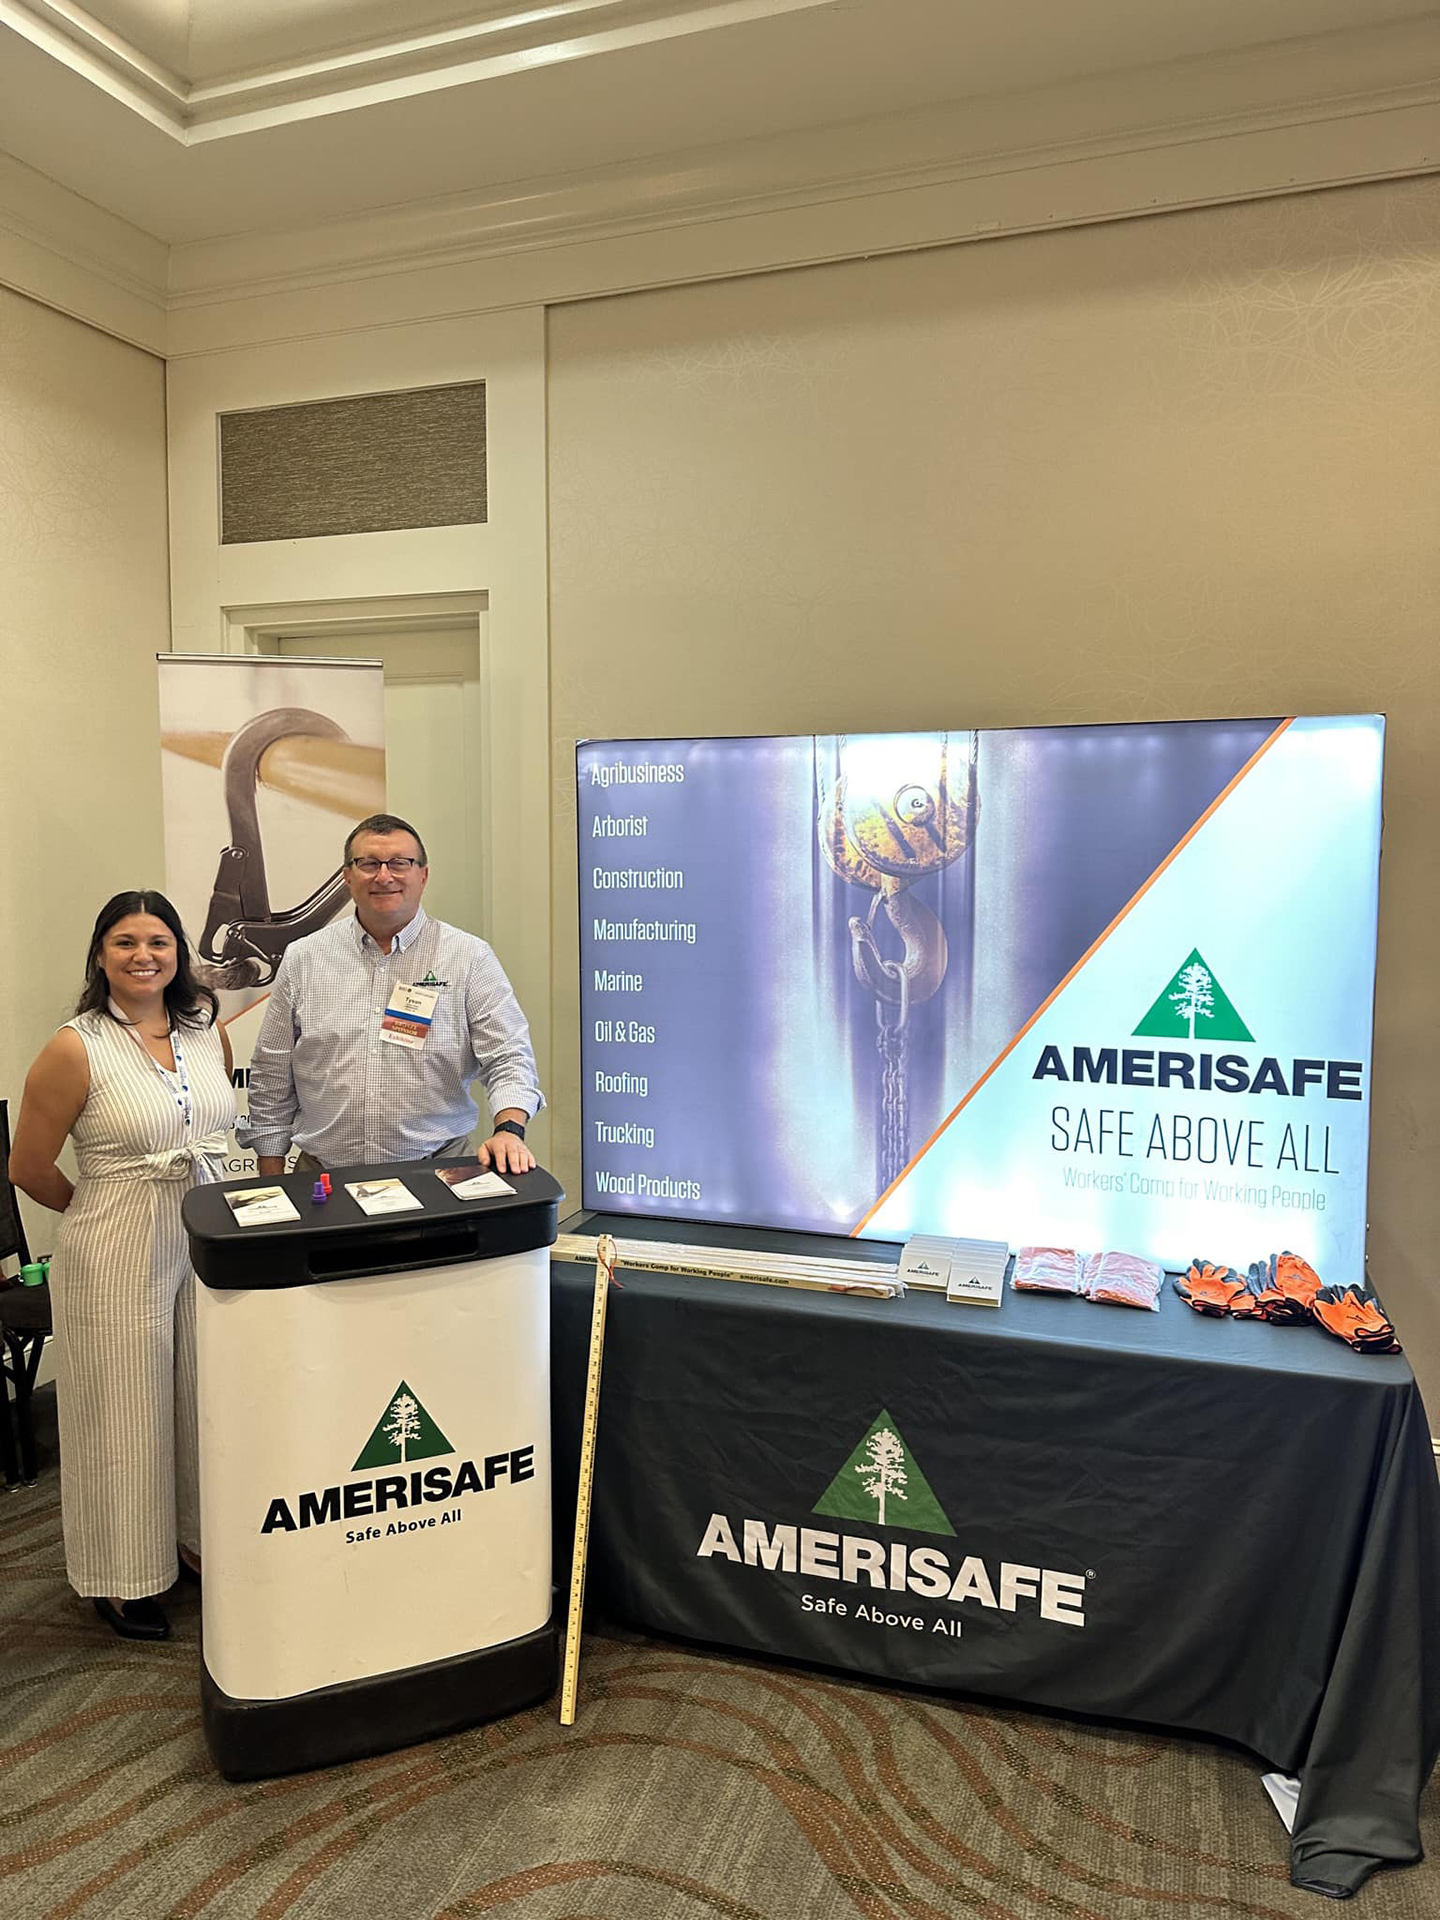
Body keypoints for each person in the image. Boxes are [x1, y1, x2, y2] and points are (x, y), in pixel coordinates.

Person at [9, 892, 236, 1641]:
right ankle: (121, 1576)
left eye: (158, 941)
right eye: (125, 942)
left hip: (200, 1232)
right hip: (114, 1242)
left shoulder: (205, 1031)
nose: (144, 956)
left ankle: (194, 1541)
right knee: (122, 1411)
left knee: (200, 1396)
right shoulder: (75, 1046)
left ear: (179, 953)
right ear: (100, 955)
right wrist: (96, 1206)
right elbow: (27, 1165)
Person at [239, 814, 542, 1177]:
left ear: (423, 876)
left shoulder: (468, 957)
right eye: (368, 863)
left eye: (400, 863)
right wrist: (271, 1175)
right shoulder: (304, 957)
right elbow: (272, 1071)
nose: (384, 876)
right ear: (347, 876)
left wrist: (509, 1130)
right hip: (324, 1177)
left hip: (438, 1173)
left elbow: (509, 1056)